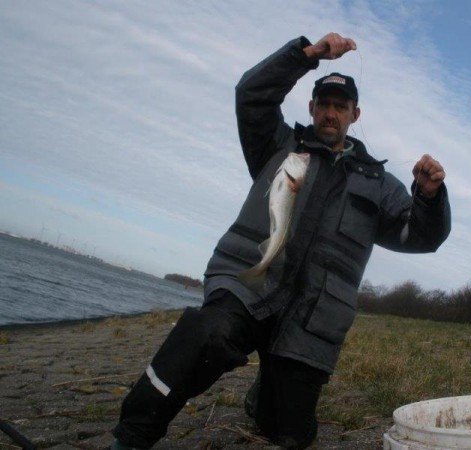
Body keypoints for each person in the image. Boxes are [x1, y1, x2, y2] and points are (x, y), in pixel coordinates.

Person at [112, 32, 451, 449]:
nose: (330, 113)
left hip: (312, 318)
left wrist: (430, 197)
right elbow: (251, 94)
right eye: (323, 104)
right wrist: (306, 55)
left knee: (290, 433)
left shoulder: (379, 183)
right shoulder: (279, 145)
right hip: (247, 284)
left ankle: (265, 394)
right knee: (205, 336)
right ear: (310, 108)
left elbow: (420, 236)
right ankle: (130, 437)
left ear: (354, 114)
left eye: (339, 107)